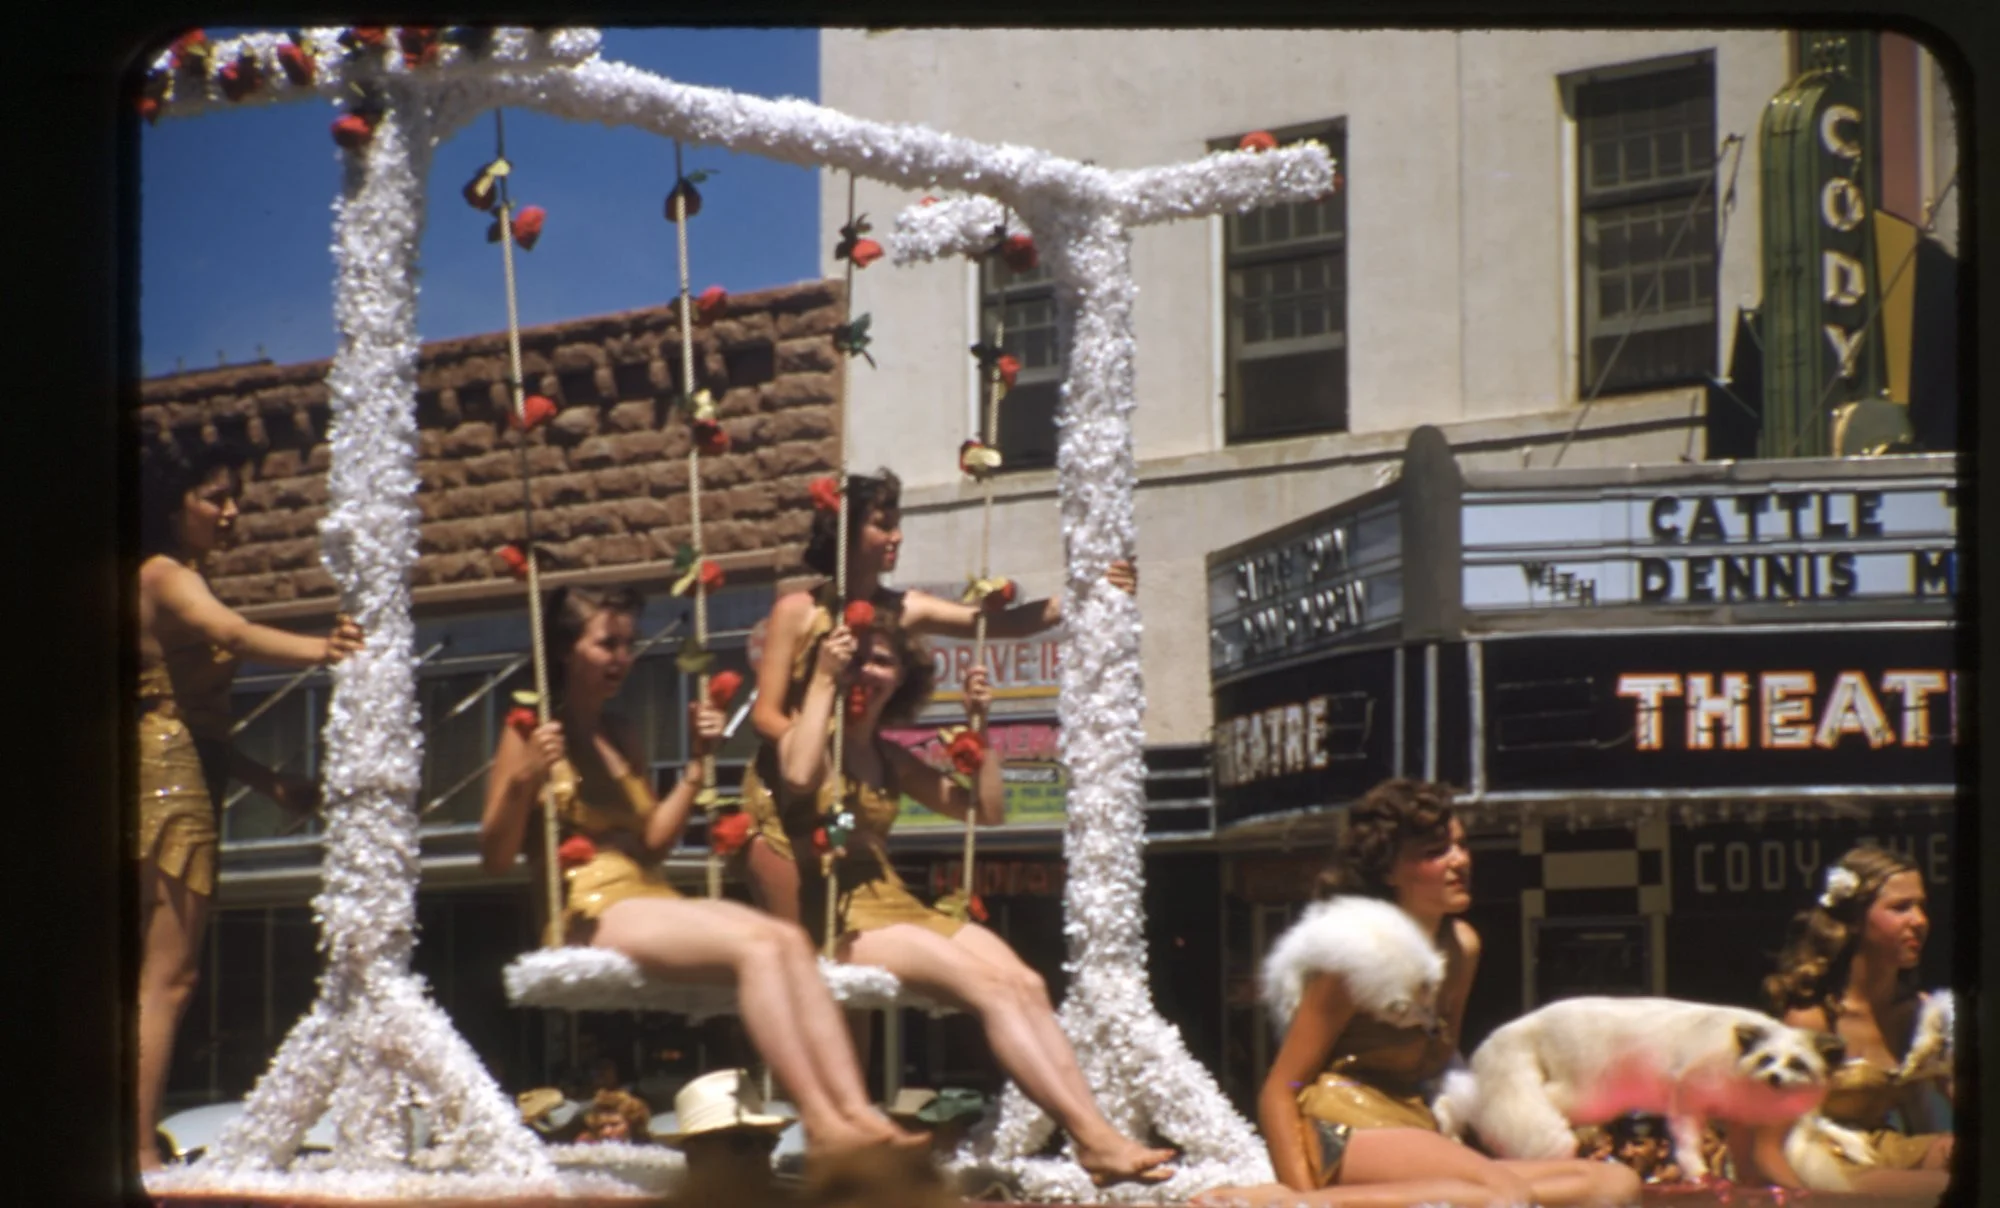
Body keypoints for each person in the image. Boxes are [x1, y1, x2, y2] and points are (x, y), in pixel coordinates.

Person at [478, 584, 920, 1157]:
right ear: (566, 650)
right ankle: (826, 1123)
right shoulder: (530, 732)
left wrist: (696, 763)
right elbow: (493, 857)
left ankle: (857, 1109)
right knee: (759, 948)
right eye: (606, 644)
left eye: (628, 645)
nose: (622, 658)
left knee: (786, 938)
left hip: (646, 892)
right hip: (586, 905)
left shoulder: (623, 734)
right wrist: (523, 779)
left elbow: (656, 845)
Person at [745, 610, 1174, 1187]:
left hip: (897, 902)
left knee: (1026, 983)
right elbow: (798, 777)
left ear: (902, 678)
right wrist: (823, 676)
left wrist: (982, 727)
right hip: (842, 916)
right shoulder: (813, 734)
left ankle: (1097, 1132)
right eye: (861, 657)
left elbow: (987, 811)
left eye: (884, 660)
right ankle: (1092, 1139)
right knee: (990, 989)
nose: (870, 670)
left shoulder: (890, 757)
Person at [1206, 780, 1639, 1207]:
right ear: (1389, 870)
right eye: (1436, 853)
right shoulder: (1354, 953)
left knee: (1614, 1184)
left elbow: (1441, 1065)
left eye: (1461, 846)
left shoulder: (1463, 946)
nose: (1460, 861)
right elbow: (1280, 1089)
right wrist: (1300, 1194)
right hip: (1342, 1129)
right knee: (1501, 1195)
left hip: (1414, 1125)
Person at [738, 468, 1136, 923]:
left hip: (853, 792)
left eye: (898, 523)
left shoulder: (905, 608)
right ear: (846, 529)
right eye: (883, 524)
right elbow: (764, 716)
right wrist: (812, 754)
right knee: (798, 944)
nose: (897, 536)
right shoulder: (797, 612)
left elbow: (998, 624)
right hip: (788, 798)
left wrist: (1088, 593)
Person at [136, 440, 365, 1170]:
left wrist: (268, 783)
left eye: (235, 497)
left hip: (184, 766)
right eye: (215, 498)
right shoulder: (165, 577)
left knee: (163, 973)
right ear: (173, 506)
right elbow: (230, 634)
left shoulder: (182, 576)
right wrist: (324, 648)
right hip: (167, 777)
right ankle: (137, 1150)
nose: (232, 512)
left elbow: (197, 720)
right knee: (168, 975)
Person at [1748, 844, 1954, 1196]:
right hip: (1817, 1161)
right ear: (1856, 920)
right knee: (1944, 1187)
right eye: (1900, 907)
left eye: (1921, 906)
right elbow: (1767, 1145)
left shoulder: (1920, 1014)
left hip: (1882, 1149)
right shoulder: (1812, 1020)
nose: (1919, 921)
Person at [579, 1088, 654, 1145]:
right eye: (601, 1126)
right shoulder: (589, 1151)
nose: (606, 1132)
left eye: (614, 1124)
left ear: (632, 1124)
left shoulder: (651, 1151)